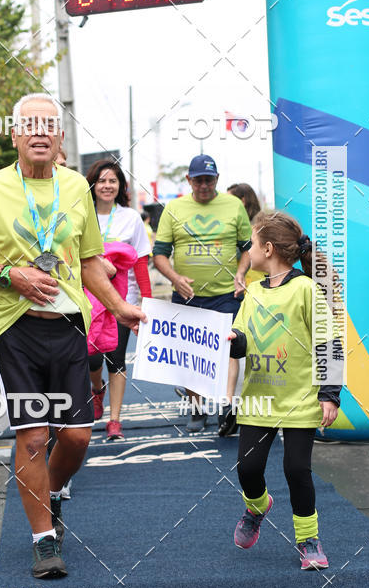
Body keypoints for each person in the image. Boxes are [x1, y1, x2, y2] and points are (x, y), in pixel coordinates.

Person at [0, 94, 144, 579]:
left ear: (60, 139)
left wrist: (120, 307)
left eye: (49, 126)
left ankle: (51, 494)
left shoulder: (76, 187)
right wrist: (11, 275)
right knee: (33, 436)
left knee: (76, 437)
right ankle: (43, 540)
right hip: (15, 329)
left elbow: (91, 261)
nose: (39, 132)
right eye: (28, 125)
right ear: (12, 135)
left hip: (70, 326)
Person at [228, 210, 342, 570]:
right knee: (248, 468)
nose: (248, 248)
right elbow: (242, 342)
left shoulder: (306, 289)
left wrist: (330, 393)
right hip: (258, 400)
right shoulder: (252, 293)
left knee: (296, 470)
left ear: (268, 248)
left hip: (300, 399)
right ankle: (258, 507)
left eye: (252, 241)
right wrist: (229, 341)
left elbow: (329, 342)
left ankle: (308, 540)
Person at [152, 154, 251, 432]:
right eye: (198, 180)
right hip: (187, 296)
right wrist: (174, 277)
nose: (204, 185)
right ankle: (197, 409)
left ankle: (227, 407)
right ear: (189, 180)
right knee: (191, 355)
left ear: (217, 179)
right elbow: (159, 255)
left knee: (230, 349)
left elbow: (247, 249)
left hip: (226, 295)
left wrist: (241, 274)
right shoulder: (174, 208)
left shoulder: (233, 205)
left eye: (209, 180)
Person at [85, 160, 152, 441]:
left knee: (116, 357)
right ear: (92, 184)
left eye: (113, 181)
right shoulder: (81, 215)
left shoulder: (131, 218)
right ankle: (96, 389)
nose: (107, 186)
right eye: (102, 180)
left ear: (121, 186)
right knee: (91, 356)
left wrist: (147, 302)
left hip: (123, 300)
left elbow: (140, 262)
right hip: (86, 300)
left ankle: (115, 421)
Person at [222, 182, 265, 437]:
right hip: (243, 292)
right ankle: (231, 405)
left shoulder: (258, 226)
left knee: (258, 350)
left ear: (243, 201)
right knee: (235, 347)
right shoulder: (238, 226)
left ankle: (251, 404)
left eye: (231, 200)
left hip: (261, 293)